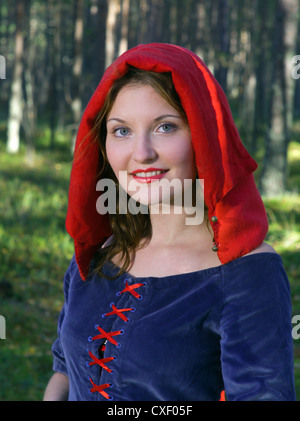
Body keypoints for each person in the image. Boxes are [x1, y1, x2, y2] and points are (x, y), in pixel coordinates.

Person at [43, 43, 296, 401]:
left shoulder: (246, 272)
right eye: (121, 131)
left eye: (165, 127)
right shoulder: (98, 255)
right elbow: (65, 373)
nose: (142, 153)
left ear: (204, 136)